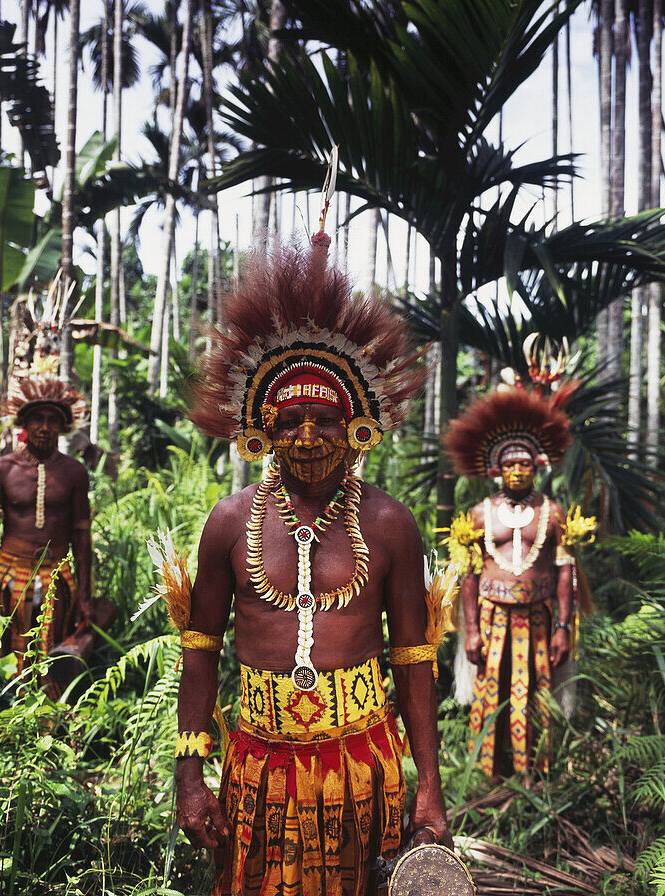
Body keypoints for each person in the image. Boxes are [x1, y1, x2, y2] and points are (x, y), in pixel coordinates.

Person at [173, 239, 450, 896]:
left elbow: (413, 660)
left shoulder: (388, 525)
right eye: (290, 420)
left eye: (324, 420)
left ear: (355, 424)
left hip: (364, 768)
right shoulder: (229, 522)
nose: (306, 436)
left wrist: (431, 789)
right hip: (257, 769)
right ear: (263, 426)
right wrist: (189, 776)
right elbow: (200, 653)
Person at [442, 384, 576, 779]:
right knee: (491, 693)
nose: (518, 471)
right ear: (496, 469)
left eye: (526, 465)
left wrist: (563, 628)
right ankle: (488, 778)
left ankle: (535, 775)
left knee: (534, 692)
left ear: (537, 467)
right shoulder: (479, 514)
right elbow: (468, 572)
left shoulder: (553, 512)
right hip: (491, 617)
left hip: (538, 619)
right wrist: (470, 632)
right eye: (510, 465)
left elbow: (566, 570)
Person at [0, 372, 93, 698]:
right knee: (6, 649)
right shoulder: (1, 470)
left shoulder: (74, 473)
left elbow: (82, 537)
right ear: (24, 422)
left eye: (52, 420)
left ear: (63, 426)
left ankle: (50, 717)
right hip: (9, 573)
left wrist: (84, 596)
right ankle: (2, 710)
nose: (44, 426)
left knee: (53, 647)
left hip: (58, 576)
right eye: (37, 418)